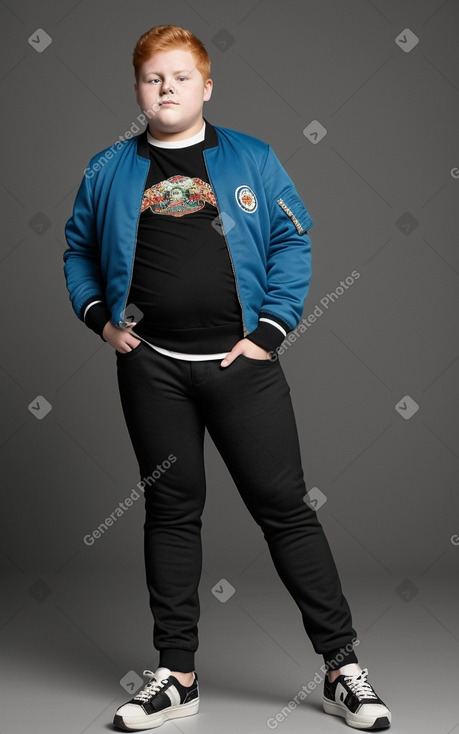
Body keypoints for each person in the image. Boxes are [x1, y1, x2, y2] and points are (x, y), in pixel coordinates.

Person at [63, 24, 391, 732]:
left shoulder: (253, 159)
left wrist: (269, 332)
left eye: (180, 77)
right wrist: (101, 320)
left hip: (240, 369)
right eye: (153, 78)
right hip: (152, 369)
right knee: (170, 511)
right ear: (138, 90)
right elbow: (77, 250)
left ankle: (341, 670)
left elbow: (291, 238)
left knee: (285, 510)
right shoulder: (107, 168)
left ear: (205, 86)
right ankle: (177, 677)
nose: (167, 88)